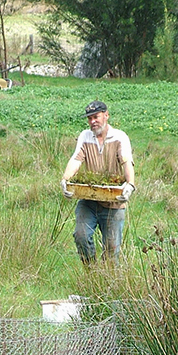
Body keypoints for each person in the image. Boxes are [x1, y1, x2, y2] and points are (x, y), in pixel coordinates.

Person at [60, 100, 135, 263]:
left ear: (106, 116)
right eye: (89, 118)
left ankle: (105, 282)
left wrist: (129, 185)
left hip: (113, 204)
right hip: (89, 200)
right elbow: (76, 160)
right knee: (81, 235)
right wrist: (65, 180)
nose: (93, 121)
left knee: (111, 251)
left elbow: (126, 161)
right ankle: (91, 272)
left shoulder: (120, 137)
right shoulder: (85, 137)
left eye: (96, 117)